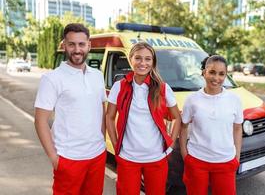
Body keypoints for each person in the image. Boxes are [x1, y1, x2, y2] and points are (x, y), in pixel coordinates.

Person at [34, 23, 107, 195]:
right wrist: (54, 157)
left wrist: (102, 142)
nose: (77, 49)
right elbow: (40, 120)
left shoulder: (97, 75)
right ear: (64, 45)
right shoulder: (52, 78)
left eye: (81, 44)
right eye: (71, 44)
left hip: (97, 155)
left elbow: (101, 110)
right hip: (68, 158)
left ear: (89, 45)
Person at [106, 42, 181, 195]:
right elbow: (109, 117)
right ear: (130, 59)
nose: (143, 63)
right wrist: (116, 146)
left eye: (148, 59)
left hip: (156, 158)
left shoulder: (163, 88)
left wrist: (170, 145)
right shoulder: (119, 86)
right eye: (138, 58)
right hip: (127, 158)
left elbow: (176, 118)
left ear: (153, 62)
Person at [180, 55, 243, 195]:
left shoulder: (234, 100)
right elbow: (183, 127)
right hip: (197, 161)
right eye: (212, 72)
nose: (216, 78)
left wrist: (237, 157)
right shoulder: (192, 100)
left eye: (222, 74)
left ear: (226, 75)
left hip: (225, 161)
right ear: (204, 73)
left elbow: (238, 128)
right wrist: (185, 155)